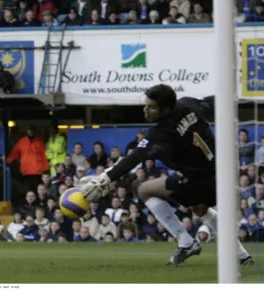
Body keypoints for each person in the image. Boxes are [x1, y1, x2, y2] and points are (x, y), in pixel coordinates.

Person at [80, 84, 254, 266]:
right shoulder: (189, 104)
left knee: (144, 189)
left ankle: (186, 242)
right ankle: (241, 255)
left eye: (151, 107)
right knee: (200, 209)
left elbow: (133, 158)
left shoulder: (161, 134)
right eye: (145, 104)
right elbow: (218, 102)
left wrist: (104, 179)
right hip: (222, 173)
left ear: (166, 108)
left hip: (203, 181)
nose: (145, 110)